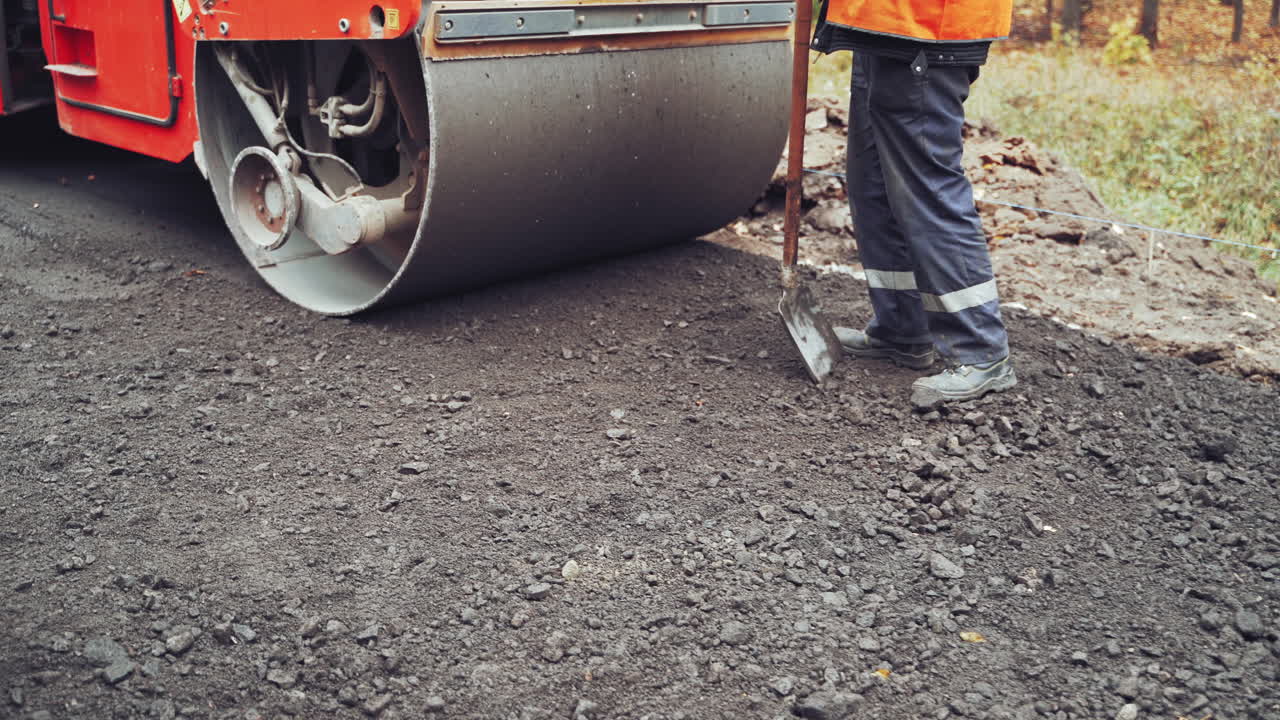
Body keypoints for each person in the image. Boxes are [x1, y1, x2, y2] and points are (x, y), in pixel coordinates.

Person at [811, 0, 1017, 409]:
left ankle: (981, 351)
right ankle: (903, 328)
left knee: (928, 190)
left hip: (926, 25)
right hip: (883, 22)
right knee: (873, 183)